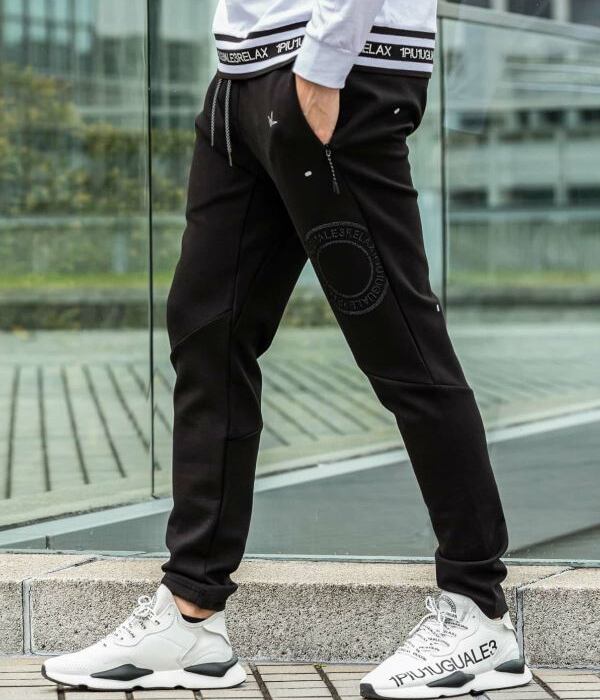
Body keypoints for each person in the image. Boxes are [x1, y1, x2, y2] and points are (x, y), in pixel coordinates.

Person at [42, 0, 533, 696]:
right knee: (207, 334)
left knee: (402, 348)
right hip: (239, 80)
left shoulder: (329, 69)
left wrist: (323, 66)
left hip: (339, 72)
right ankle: (190, 616)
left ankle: (478, 613)